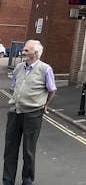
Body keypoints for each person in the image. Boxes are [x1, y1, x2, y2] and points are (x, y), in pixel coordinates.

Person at [3, 40, 56, 185]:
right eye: (24, 49)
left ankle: (27, 181)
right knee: (10, 149)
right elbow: (14, 86)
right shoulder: (19, 67)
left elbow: (52, 90)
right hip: (15, 112)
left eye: (26, 50)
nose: (23, 52)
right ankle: (7, 181)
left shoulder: (45, 69)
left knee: (28, 150)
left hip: (33, 114)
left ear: (36, 53)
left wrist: (44, 104)